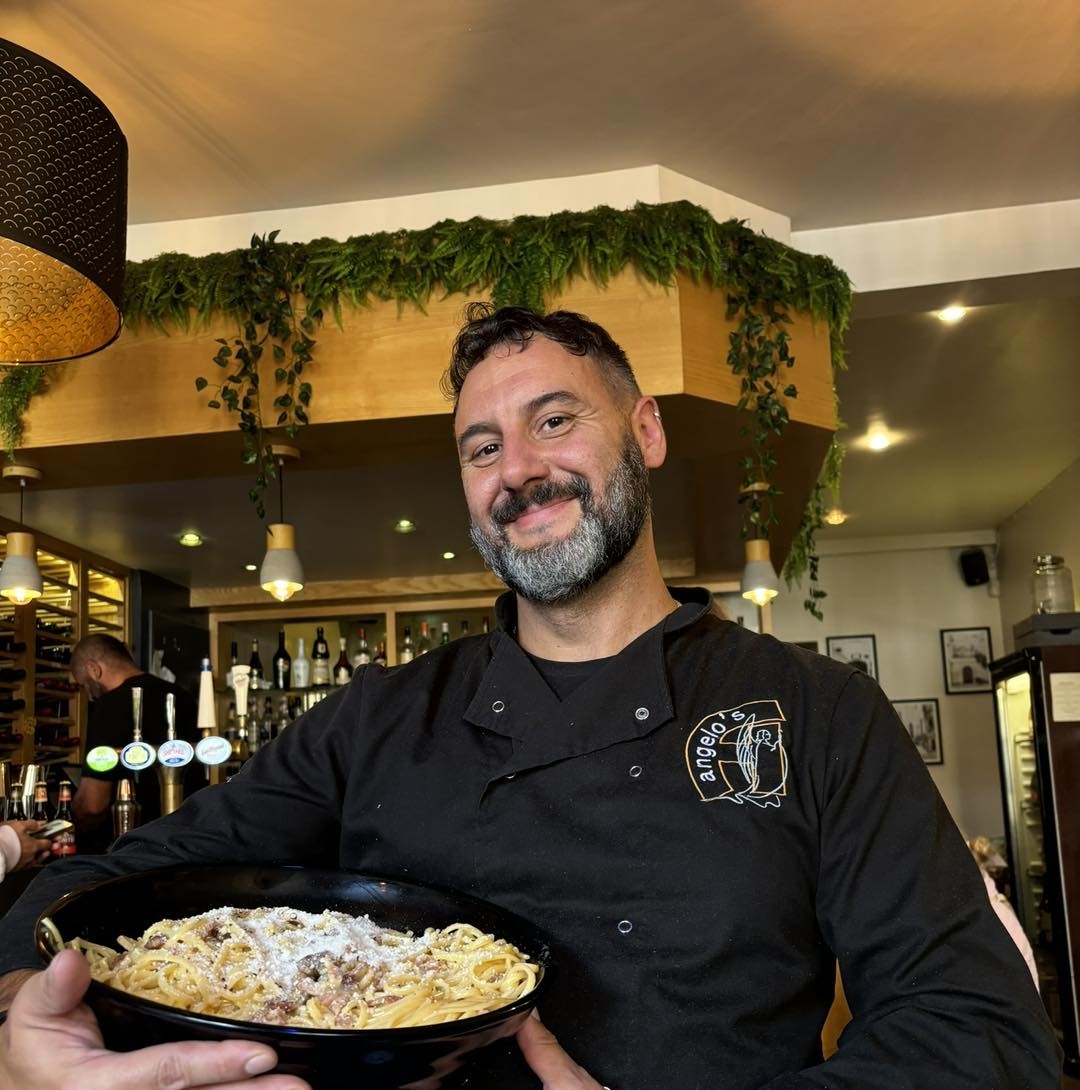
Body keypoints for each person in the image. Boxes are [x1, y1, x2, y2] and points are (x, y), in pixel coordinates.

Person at [0, 304, 1061, 1090]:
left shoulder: (817, 711)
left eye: (555, 421)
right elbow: (133, 881)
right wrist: (20, 1001)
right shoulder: (377, 718)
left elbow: (976, 1032)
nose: (519, 469)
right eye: (482, 446)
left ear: (644, 433)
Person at [68, 634, 201, 851]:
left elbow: (93, 805)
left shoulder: (109, 707)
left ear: (94, 669)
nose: (89, 696)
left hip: (134, 846)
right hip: (189, 837)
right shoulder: (182, 697)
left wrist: (70, 826)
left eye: (85, 685)